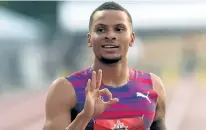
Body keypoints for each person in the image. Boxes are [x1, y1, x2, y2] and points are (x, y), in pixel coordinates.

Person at [43, 1, 167, 130]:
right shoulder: (65, 89)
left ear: (131, 39)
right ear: (89, 39)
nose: (110, 35)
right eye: (101, 30)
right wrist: (85, 116)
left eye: (119, 29)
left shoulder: (154, 85)